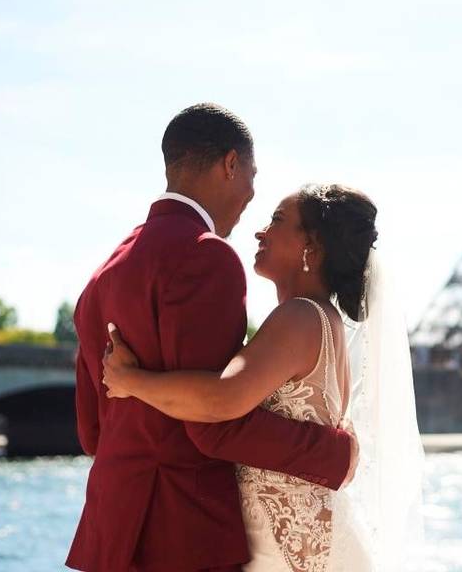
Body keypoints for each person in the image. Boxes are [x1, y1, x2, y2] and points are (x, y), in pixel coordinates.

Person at [66, 104, 355, 572]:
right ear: (230, 164)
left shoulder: (104, 274)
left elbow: (90, 432)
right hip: (184, 532)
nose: (251, 197)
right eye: (252, 176)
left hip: (110, 528)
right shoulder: (208, 257)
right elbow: (214, 422)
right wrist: (334, 453)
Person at [102, 184, 425, 571]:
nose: (261, 231)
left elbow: (222, 401)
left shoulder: (300, 317)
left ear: (313, 247)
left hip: (293, 554)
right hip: (303, 543)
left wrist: (130, 381)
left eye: (278, 220)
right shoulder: (322, 319)